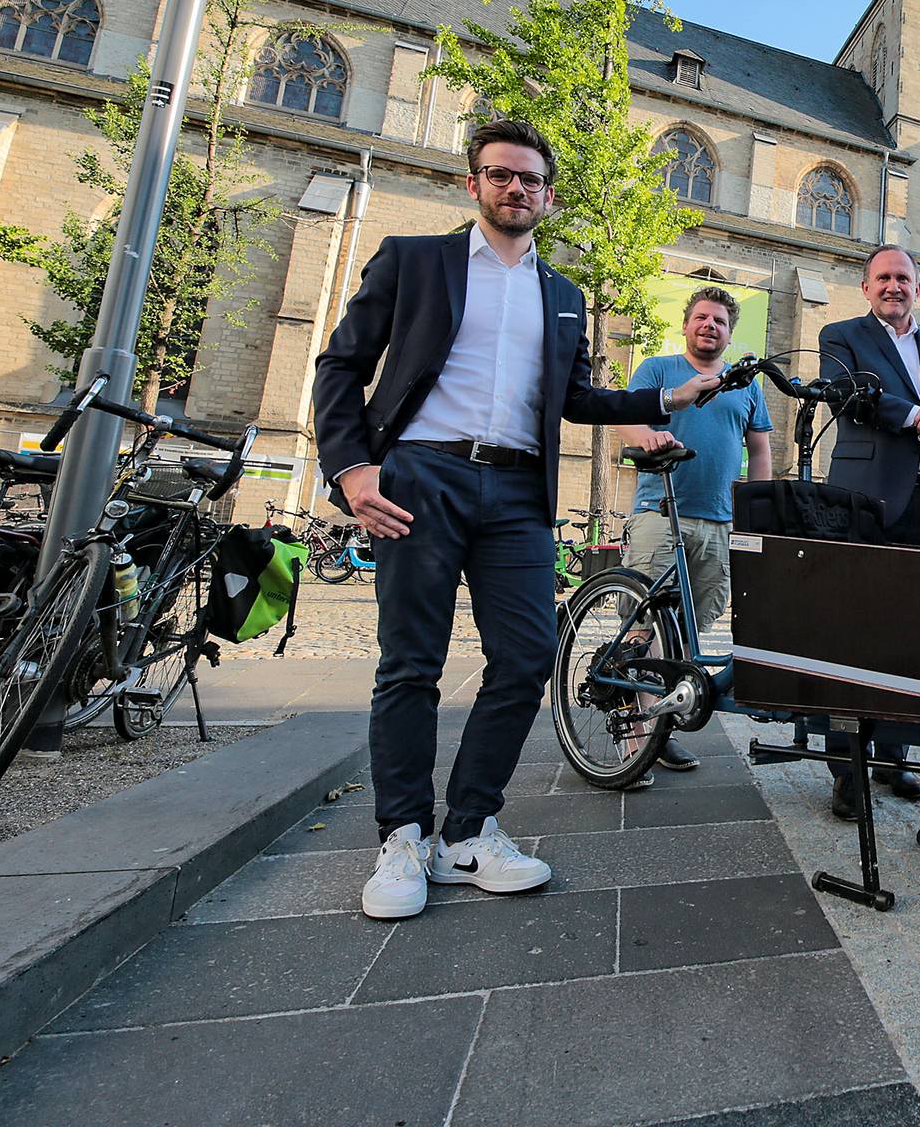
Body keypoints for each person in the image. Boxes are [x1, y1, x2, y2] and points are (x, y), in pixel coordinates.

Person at [312, 118, 716, 921]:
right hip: (420, 475)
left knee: (529, 657)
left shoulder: (561, 295)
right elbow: (342, 364)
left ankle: (467, 831)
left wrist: (666, 396)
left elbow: (576, 399)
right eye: (501, 175)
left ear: (549, 196)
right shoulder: (414, 260)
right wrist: (352, 470)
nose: (516, 189)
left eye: (531, 180)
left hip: (516, 492)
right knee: (411, 663)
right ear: (475, 184)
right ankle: (402, 837)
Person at [819, 244, 920, 816]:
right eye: (883, 278)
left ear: (919, 287)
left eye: (904, 278)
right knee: (853, 633)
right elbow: (853, 398)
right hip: (866, 503)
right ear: (866, 287)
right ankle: (847, 768)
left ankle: (895, 756)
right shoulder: (841, 336)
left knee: (914, 637)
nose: (894, 286)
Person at [615, 285, 775, 778]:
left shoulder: (744, 385)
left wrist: (758, 508)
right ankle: (635, 736)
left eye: (720, 321)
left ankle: (660, 726)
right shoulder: (659, 370)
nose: (710, 326)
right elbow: (626, 420)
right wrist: (651, 436)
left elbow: (761, 449)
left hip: (721, 521)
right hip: (661, 513)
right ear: (686, 325)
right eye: (701, 318)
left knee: (688, 630)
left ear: (730, 334)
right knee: (647, 626)